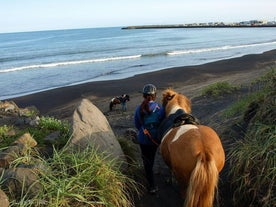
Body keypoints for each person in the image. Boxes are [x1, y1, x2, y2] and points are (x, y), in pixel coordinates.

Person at [134, 84, 165, 194]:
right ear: (155, 95)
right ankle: (151, 173)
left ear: (143, 95)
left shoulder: (139, 108)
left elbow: (137, 124)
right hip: (155, 139)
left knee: (146, 161)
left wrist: (144, 130)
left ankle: (151, 185)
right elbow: (162, 123)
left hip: (143, 138)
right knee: (151, 158)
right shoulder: (160, 108)